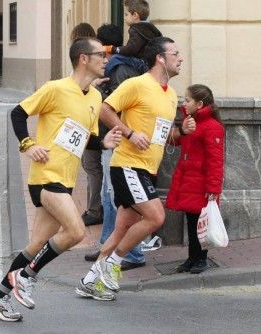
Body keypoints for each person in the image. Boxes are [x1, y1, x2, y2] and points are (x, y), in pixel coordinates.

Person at [0, 37, 122, 322]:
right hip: (46, 176)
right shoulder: (55, 89)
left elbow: (85, 138)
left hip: (66, 179)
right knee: (76, 231)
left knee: (36, 245)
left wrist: (103, 142)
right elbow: (18, 113)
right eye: (101, 54)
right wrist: (27, 144)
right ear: (83, 58)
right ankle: (26, 277)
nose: (106, 58)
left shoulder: (95, 97)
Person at [78, 37, 194, 298]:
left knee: (122, 230)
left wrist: (182, 132)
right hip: (128, 165)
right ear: (160, 58)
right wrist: (129, 134)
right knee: (155, 217)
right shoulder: (137, 84)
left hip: (147, 170)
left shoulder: (171, 94)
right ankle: (112, 267)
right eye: (175, 53)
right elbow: (105, 109)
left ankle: (90, 280)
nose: (180, 58)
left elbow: (163, 136)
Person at [84, 24, 146, 270]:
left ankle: (130, 252)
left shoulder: (117, 69)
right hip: (116, 139)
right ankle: (106, 245)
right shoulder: (119, 67)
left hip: (118, 140)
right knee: (110, 197)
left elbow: (115, 107)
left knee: (119, 198)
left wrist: (97, 90)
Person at [166, 84, 224, 274]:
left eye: (187, 100)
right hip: (190, 181)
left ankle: (201, 259)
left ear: (199, 104)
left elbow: (216, 161)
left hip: (202, 184)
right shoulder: (191, 123)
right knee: (192, 222)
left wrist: (213, 189)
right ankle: (192, 258)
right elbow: (176, 140)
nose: (184, 103)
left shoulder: (212, 127)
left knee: (202, 222)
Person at [69, 22, 102, 227]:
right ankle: (94, 208)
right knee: (91, 166)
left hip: (91, 124)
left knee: (91, 166)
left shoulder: (90, 65)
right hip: (89, 124)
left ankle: (94, 209)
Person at [107, 0, 162, 75]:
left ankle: (105, 77)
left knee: (115, 58)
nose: (124, 18)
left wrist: (113, 49)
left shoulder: (136, 29)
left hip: (142, 64)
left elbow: (131, 49)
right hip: (152, 65)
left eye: (126, 14)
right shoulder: (149, 28)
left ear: (135, 15)